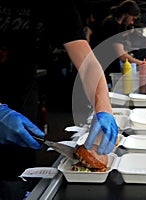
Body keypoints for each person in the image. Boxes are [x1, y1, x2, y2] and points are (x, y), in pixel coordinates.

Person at [0, 1, 118, 199]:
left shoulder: (58, 5)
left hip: (22, 103)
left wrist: (103, 108)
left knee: (16, 182)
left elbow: (88, 64)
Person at [91, 0, 146, 88]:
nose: (132, 22)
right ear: (127, 14)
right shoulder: (112, 24)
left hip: (106, 66)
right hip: (103, 67)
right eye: (132, 18)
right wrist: (141, 63)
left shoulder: (116, 24)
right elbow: (122, 55)